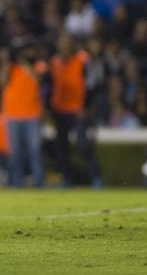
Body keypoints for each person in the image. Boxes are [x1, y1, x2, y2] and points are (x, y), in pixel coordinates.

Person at [49, 32, 103, 188]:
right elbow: (49, 86)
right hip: (59, 110)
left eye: (67, 41)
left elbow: (92, 84)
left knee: (83, 144)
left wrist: (87, 107)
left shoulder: (82, 60)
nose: (64, 45)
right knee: (61, 147)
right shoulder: (54, 62)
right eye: (61, 41)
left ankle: (96, 178)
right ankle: (66, 179)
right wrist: (48, 108)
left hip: (78, 110)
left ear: (72, 44)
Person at [0, 37, 46, 188]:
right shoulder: (10, 67)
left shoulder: (40, 65)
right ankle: (17, 184)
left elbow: (38, 79)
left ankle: (39, 183)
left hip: (33, 115)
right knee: (15, 153)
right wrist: (5, 63)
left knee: (35, 151)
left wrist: (23, 62)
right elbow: (0, 83)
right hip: (13, 115)